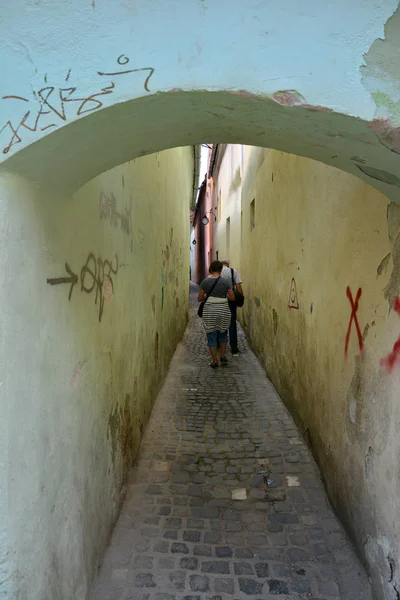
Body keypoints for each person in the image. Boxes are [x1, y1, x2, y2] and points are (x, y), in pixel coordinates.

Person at [198, 260, 235, 368]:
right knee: (223, 333)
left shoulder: (205, 281)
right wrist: (224, 297)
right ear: (221, 269)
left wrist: (206, 296)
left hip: (210, 310)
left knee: (211, 335)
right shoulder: (226, 281)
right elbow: (232, 297)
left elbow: (200, 298)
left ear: (211, 269)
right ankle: (223, 356)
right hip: (223, 309)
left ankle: (214, 361)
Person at [221, 259, 243, 355]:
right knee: (232, 323)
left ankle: (219, 343)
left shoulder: (217, 272)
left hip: (220, 300)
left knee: (220, 322)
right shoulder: (233, 271)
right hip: (231, 301)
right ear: (228, 265)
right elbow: (238, 286)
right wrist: (240, 297)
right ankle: (234, 347)